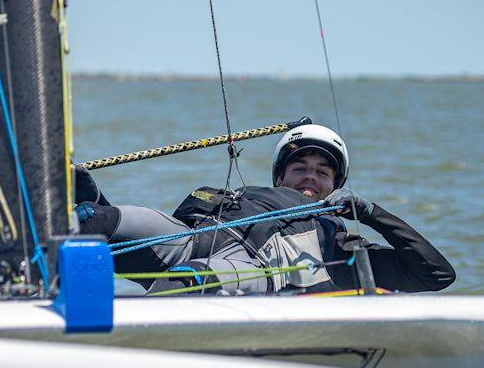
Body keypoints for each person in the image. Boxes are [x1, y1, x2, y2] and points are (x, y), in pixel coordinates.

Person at [75, 124, 455, 295]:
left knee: (190, 280)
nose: (310, 177)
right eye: (300, 168)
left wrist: (371, 213)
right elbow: (171, 234)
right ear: (280, 176)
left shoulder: (342, 248)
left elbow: (436, 275)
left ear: (336, 186)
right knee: (96, 219)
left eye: (323, 172)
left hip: (250, 270)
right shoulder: (243, 195)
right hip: (189, 239)